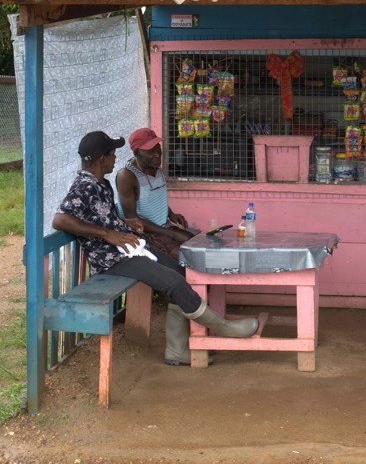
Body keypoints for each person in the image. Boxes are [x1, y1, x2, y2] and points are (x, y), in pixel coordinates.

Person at [52, 131, 259, 366]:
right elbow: (61, 220)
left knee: (180, 273)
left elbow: (104, 218)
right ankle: (223, 328)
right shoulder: (84, 186)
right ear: (102, 159)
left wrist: (125, 224)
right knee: (174, 283)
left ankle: (176, 349)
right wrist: (108, 234)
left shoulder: (102, 184)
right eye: (112, 154)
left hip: (129, 247)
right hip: (111, 259)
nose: (114, 158)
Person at [116, 128, 196, 260]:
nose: (157, 155)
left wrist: (171, 214)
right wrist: (171, 233)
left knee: (196, 244)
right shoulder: (126, 176)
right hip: (143, 233)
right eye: (150, 151)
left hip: (163, 227)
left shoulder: (156, 168)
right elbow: (132, 220)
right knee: (187, 257)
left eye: (158, 148)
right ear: (137, 153)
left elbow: (155, 196)